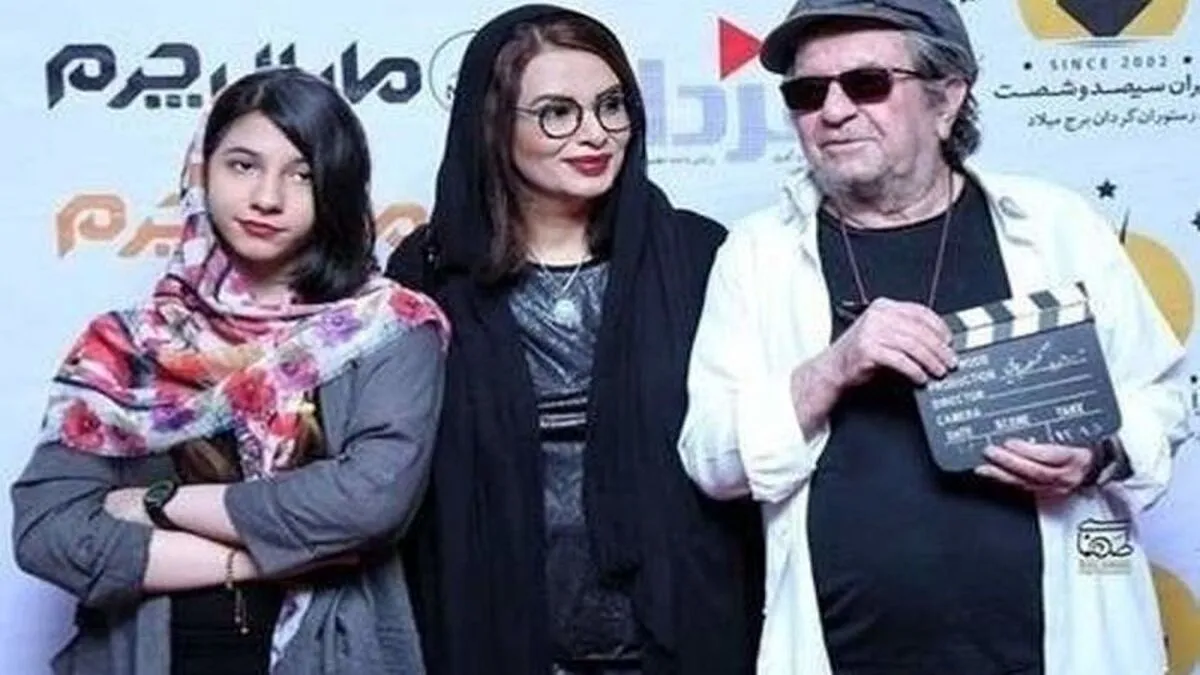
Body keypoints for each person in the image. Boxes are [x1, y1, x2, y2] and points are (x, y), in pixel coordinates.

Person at [677, 1, 1190, 673]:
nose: (833, 111)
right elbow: (712, 461)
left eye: (866, 83)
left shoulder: (1056, 227)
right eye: (807, 93)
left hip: (1056, 651)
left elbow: (1164, 400)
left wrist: (1100, 456)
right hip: (847, 654)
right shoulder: (756, 255)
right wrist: (833, 368)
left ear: (946, 100)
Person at [11, 67, 448, 675]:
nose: (268, 197)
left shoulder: (386, 329)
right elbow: (48, 531)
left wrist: (159, 502)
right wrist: (256, 559)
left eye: (303, 175)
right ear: (203, 171)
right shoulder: (127, 345)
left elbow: (366, 504)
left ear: (338, 189)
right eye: (243, 165)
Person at [385, 5, 762, 674]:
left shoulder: (700, 255)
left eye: (612, 106)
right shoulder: (429, 272)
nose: (595, 133)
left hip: (683, 639)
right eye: (557, 112)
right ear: (492, 122)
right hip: (497, 638)